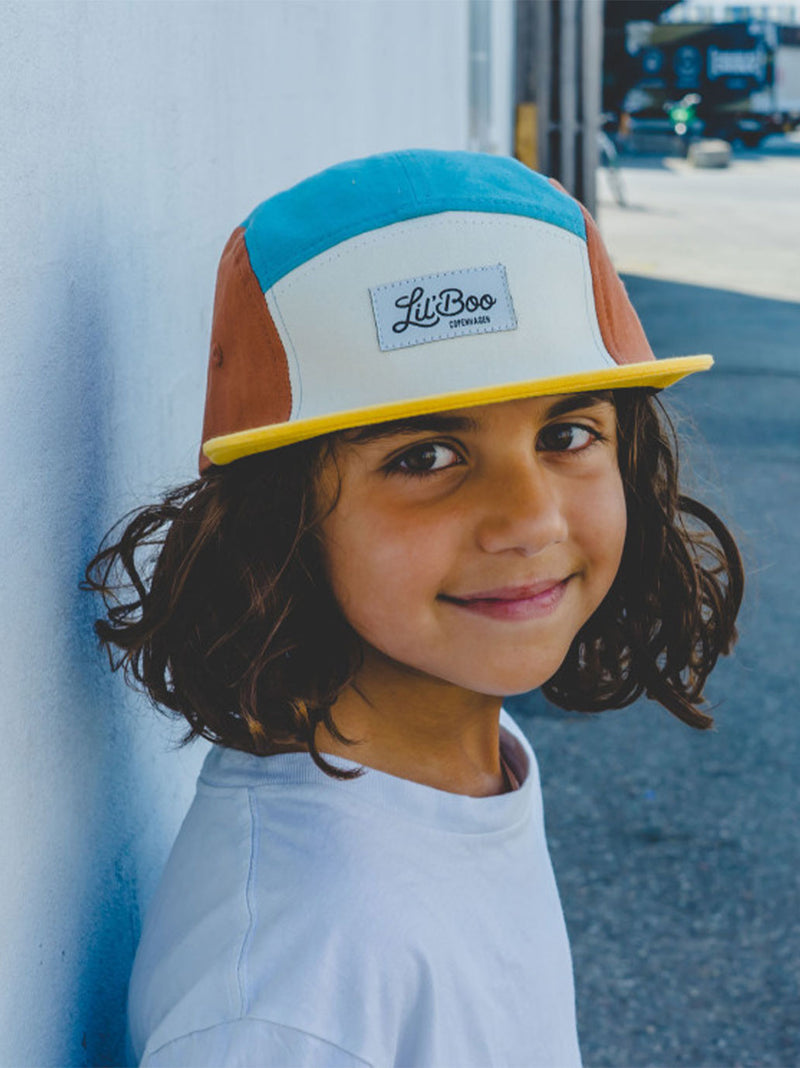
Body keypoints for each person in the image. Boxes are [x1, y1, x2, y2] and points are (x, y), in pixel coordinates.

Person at [84, 149, 743, 1067]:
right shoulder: (291, 988)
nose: (529, 520)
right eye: (425, 457)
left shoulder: (461, 758)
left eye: (566, 433)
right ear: (279, 521)